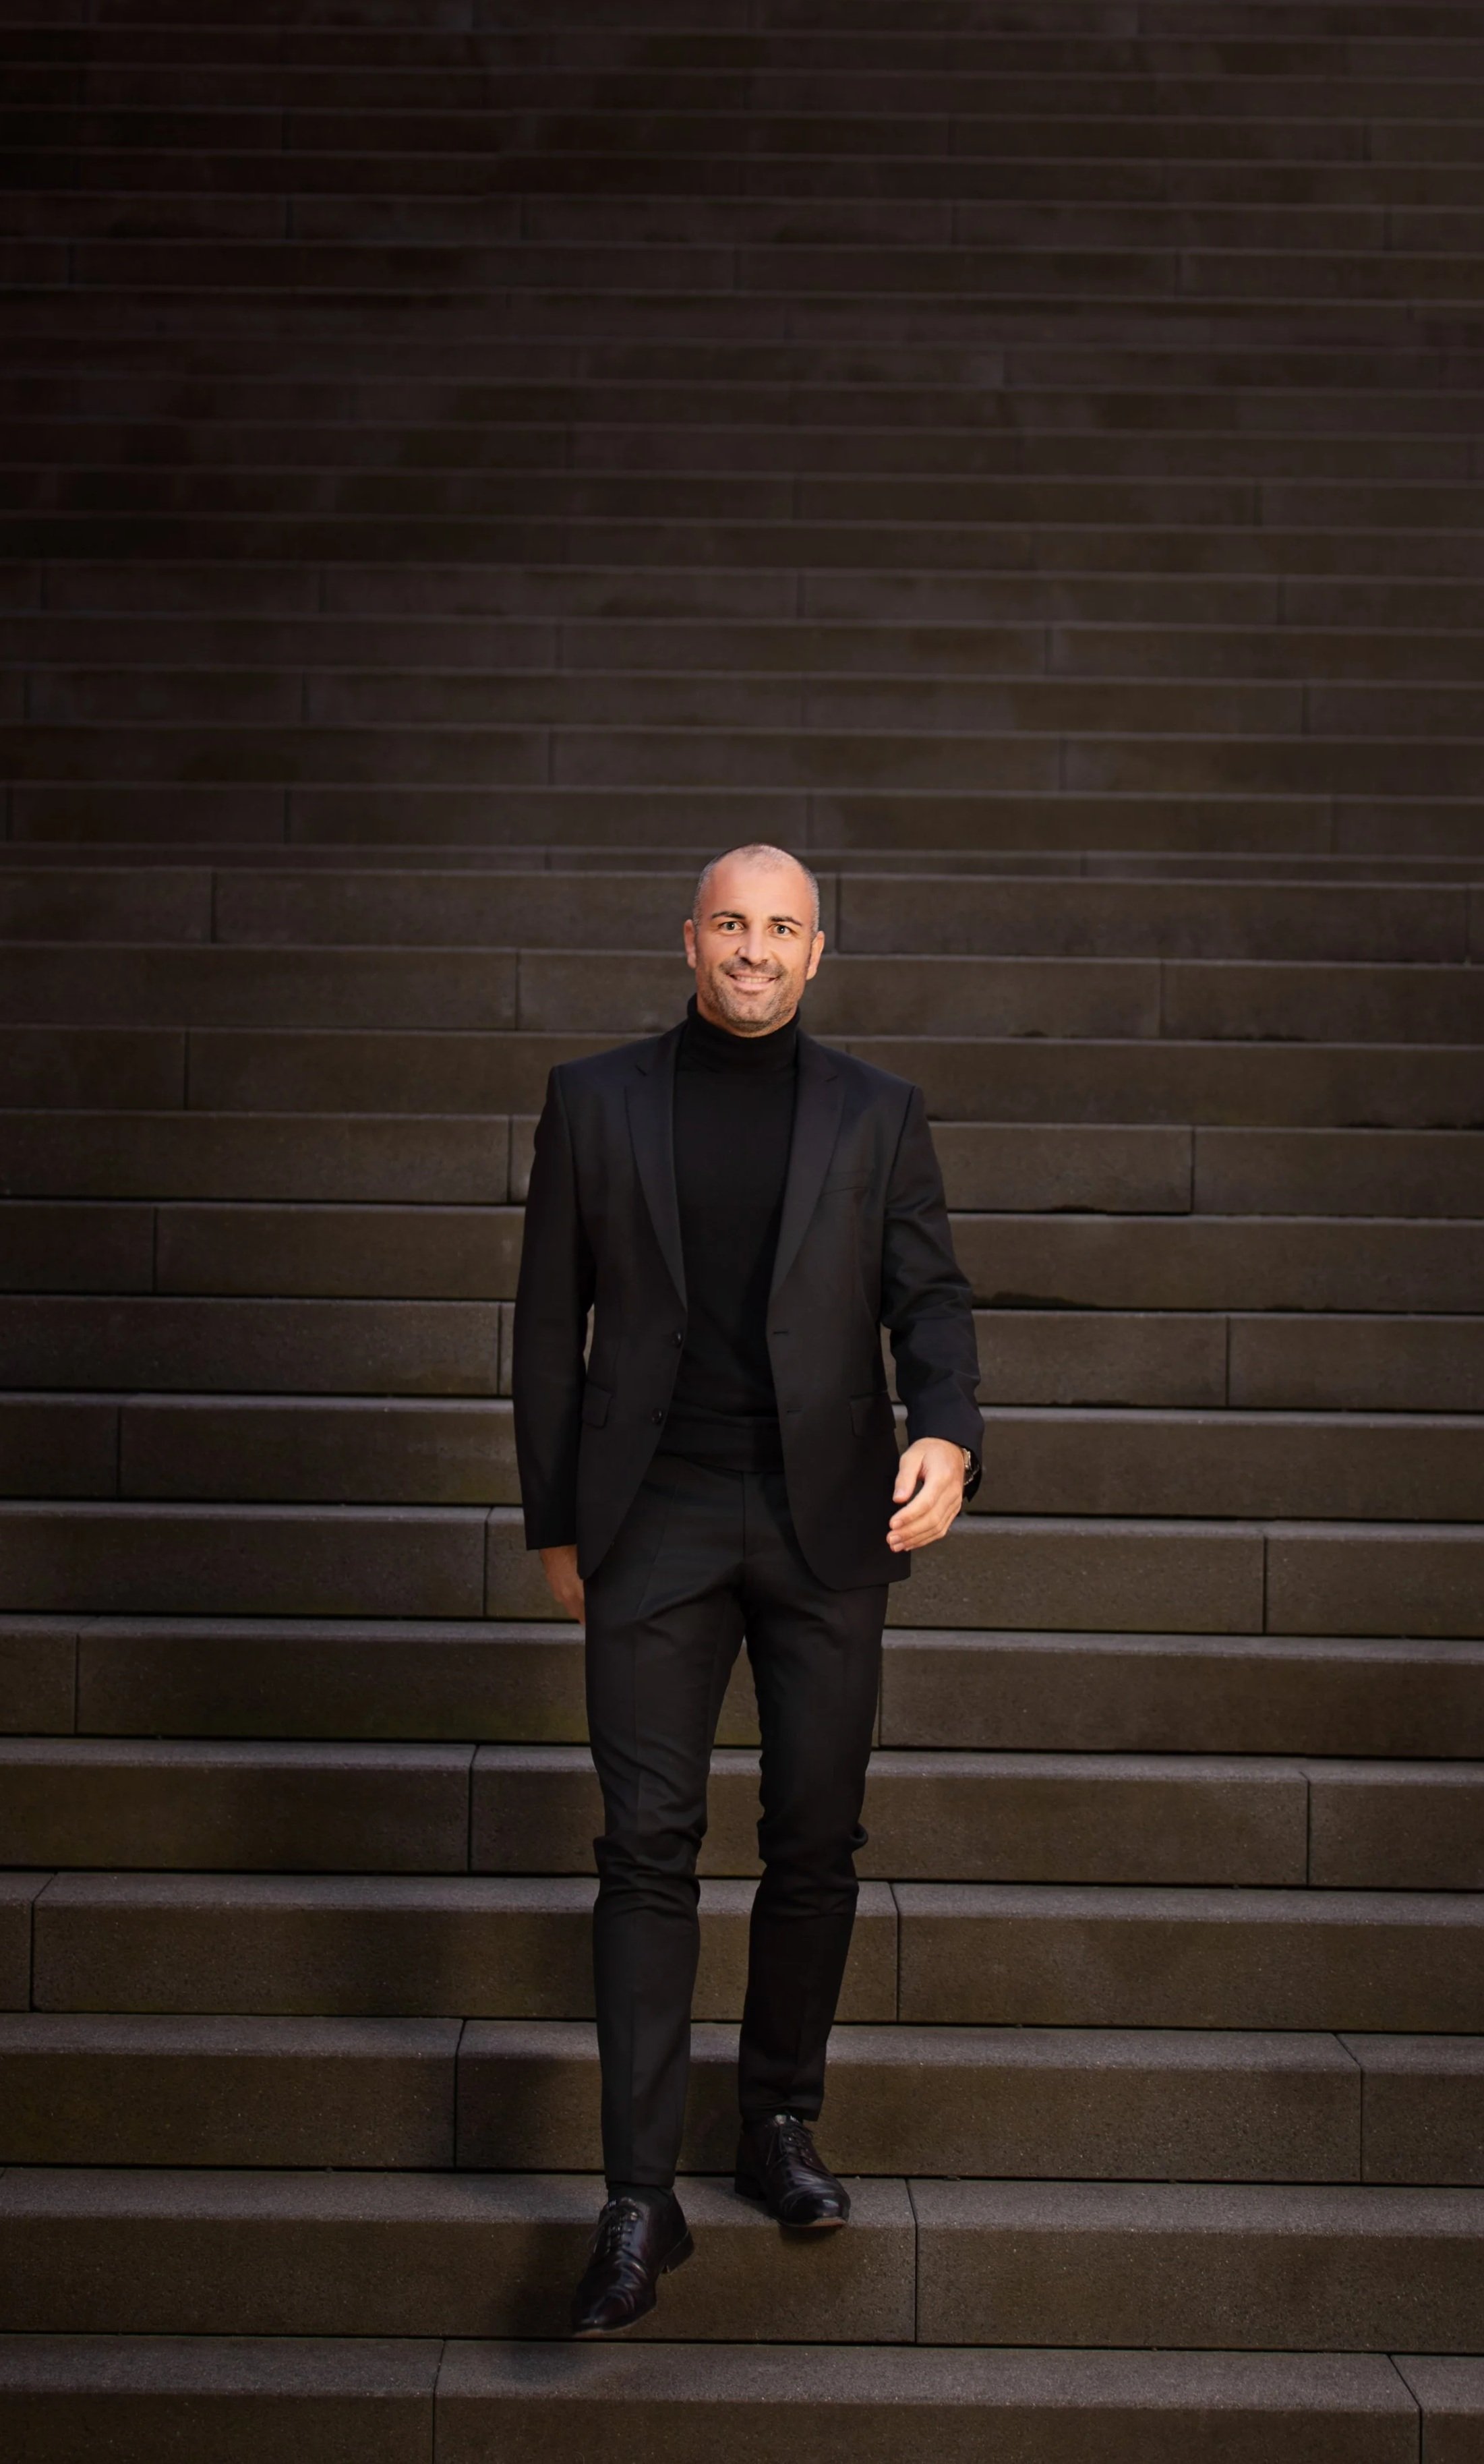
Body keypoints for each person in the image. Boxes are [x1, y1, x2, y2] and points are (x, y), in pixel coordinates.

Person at [512, 842, 982, 2338]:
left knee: (815, 1837)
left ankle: (777, 2120)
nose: (756, 950)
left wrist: (953, 1431)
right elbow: (544, 1326)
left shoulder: (880, 1114)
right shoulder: (595, 1101)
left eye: (783, 929)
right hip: (649, 1522)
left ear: (818, 952)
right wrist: (554, 1520)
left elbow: (934, 1298)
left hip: (827, 1526)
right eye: (732, 924)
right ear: (690, 940)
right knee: (644, 1850)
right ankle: (637, 2202)